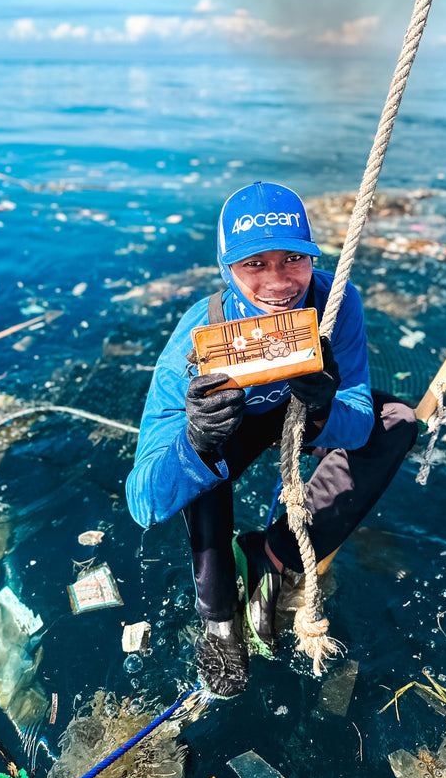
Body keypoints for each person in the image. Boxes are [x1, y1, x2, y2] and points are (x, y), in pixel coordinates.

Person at [126, 181, 417, 697]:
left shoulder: (336, 302)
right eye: (254, 265)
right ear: (227, 269)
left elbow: (358, 416)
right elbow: (144, 502)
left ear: (312, 258)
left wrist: (325, 407)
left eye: (292, 260)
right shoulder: (191, 342)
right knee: (200, 459)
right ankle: (218, 615)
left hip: (303, 414)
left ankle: (275, 553)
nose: (280, 282)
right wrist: (194, 441)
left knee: (397, 419)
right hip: (236, 424)